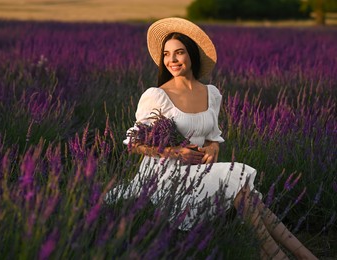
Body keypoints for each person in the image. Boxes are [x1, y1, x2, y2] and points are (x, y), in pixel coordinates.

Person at [106, 17, 317, 259]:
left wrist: (214, 147)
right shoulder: (157, 95)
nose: (172, 60)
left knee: (246, 194)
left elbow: (210, 136)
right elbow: (134, 144)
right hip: (162, 177)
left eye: (179, 53)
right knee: (239, 182)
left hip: (197, 174)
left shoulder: (211, 94)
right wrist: (174, 152)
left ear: (192, 55)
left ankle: (297, 256)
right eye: (167, 54)